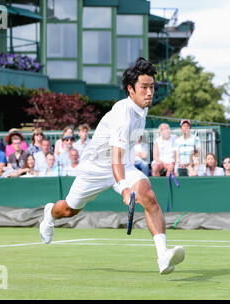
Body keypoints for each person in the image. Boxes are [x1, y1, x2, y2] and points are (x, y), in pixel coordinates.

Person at [39, 57, 185, 275]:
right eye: (144, 88)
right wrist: (124, 187)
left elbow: (122, 156)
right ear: (130, 89)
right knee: (69, 210)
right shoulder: (122, 114)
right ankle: (50, 213)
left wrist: (128, 182)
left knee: (149, 196)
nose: (149, 92)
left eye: (152, 87)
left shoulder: (142, 109)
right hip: (96, 167)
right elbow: (114, 155)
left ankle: (162, 256)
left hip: (123, 165)